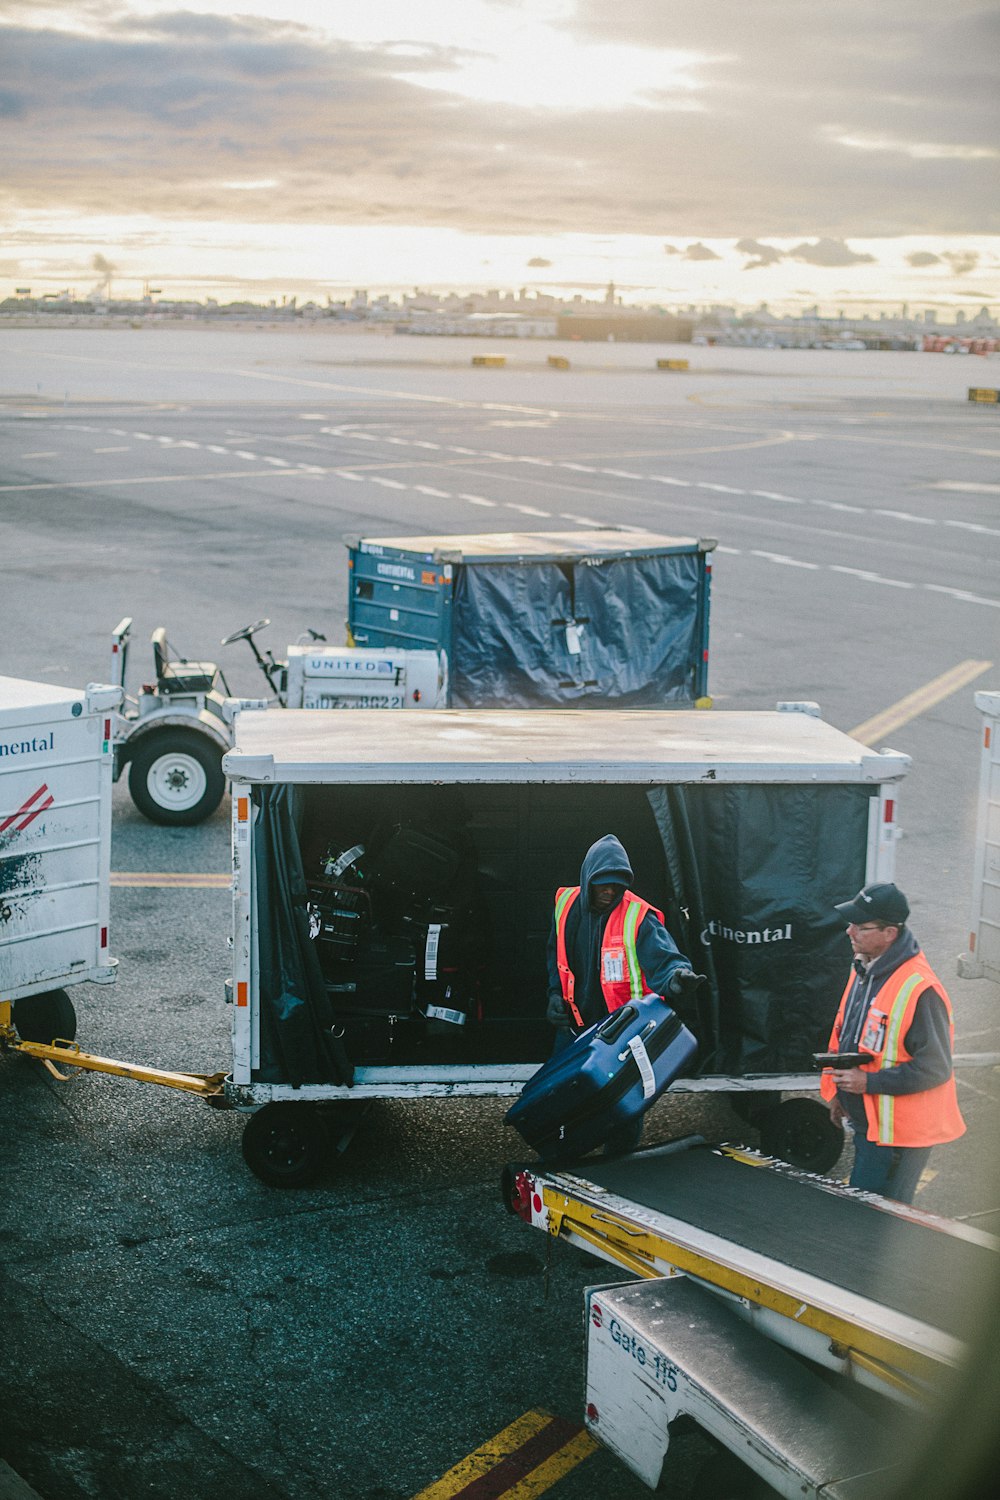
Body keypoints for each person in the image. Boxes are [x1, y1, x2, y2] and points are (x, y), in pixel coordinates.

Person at [545, 834, 703, 1153]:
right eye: (603, 884)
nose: (610, 891)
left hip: (620, 1037)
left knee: (622, 1110)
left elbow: (665, 960)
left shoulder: (637, 918)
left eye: (617, 885)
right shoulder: (565, 906)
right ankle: (560, 1163)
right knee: (559, 1104)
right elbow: (554, 954)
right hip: (575, 1029)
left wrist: (676, 979)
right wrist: (553, 995)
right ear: (588, 879)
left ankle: (617, 1171)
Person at [820, 881, 965, 1203]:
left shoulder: (920, 989)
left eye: (861, 926)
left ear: (890, 934)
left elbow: (936, 1069)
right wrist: (841, 1094)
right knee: (865, 1216)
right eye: (851, 923)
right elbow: (853, 1039)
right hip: (871, 1127)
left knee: (882, 1223)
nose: (850, 932)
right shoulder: (865, 967)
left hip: (899, 1137)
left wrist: (867, 1083)